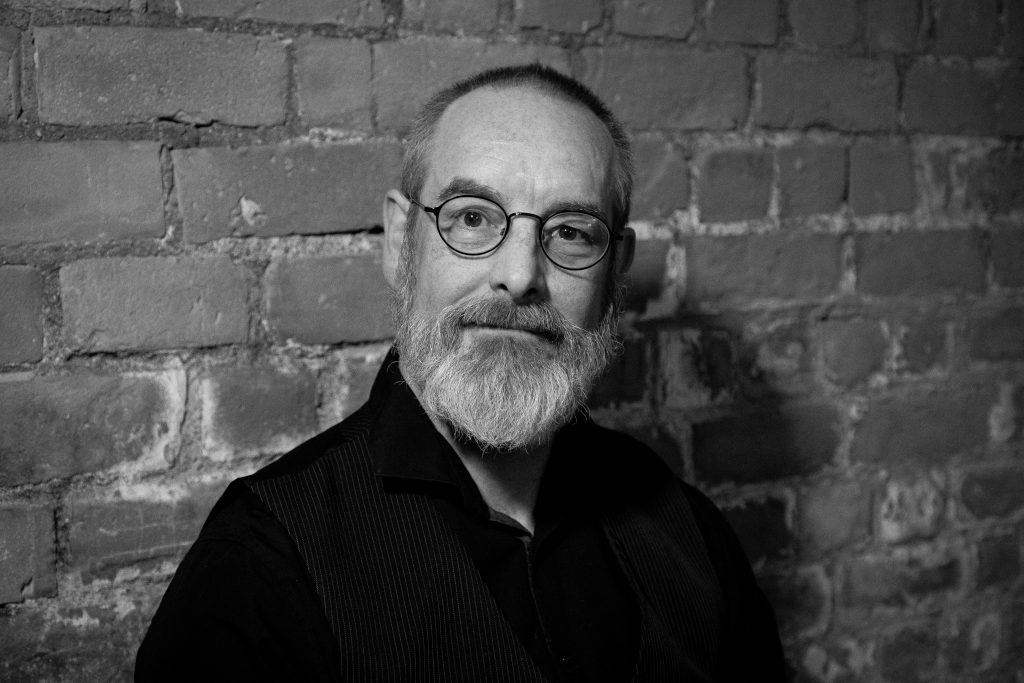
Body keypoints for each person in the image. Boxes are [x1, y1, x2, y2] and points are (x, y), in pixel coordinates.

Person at [135, 64, 785, 682]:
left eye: (572, 232)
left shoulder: (688, 532)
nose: (522, 274)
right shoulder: (261, 567)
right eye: (473, 217)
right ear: (400, 241)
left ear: (616, 273)